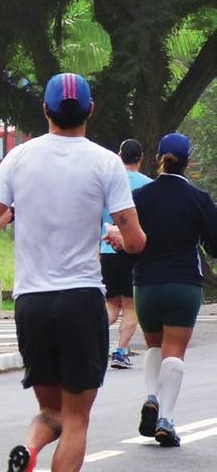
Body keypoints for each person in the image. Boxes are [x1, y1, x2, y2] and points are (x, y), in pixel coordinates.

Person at [0, 72, 145, 472]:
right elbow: (134, 240)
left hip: (31, 301)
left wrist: (13, 214)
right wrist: (116, 236)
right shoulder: (106, 163)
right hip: (80, 299)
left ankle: (26, 453)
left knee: (48, 411)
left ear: (45, 112)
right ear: (90, 111)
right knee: (76, 418)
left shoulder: (18, 158)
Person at [123, 133, 217, 447]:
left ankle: (151, 397)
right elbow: (215, 246)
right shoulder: (199, 198)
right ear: (189, 162)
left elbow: (130, 244)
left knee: (154, 347)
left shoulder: (142, 196)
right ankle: (166, 418)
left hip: (146, 284)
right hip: (183, 284)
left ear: (159, 158)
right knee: (174, 352)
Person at [100, 139, 152, 369]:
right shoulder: (149, 185)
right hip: (132, 249)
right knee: (131, 306)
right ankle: (120, 351)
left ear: (119, 155)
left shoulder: (107, 184)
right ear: (141, 157)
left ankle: (94, 344)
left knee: (111, 304)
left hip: (107, 249)